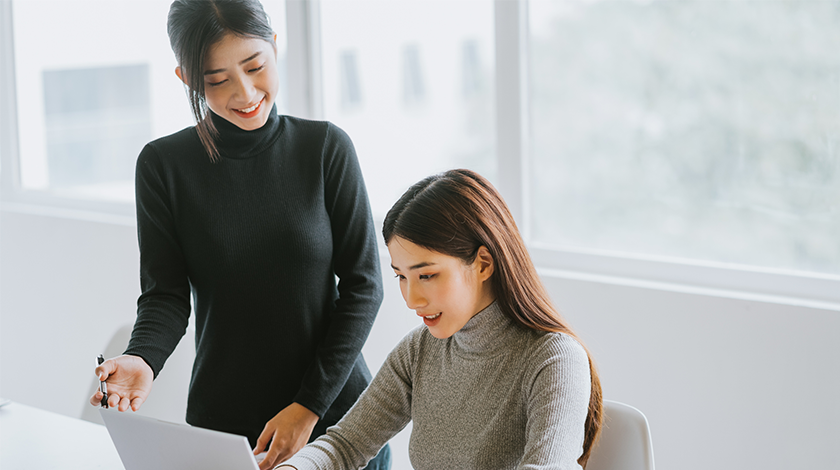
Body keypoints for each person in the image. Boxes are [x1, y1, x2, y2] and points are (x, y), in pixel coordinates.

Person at [88, 1, 389, 469]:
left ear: (274, 46)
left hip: (338, 425)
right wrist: (142, 358)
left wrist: (308, 408)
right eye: (217, 79)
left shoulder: (325, 148)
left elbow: (365, 286)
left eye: (254, 67)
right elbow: (165, 295)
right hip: (226, 429)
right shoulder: (164, 167)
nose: (245, 92)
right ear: (186, 78)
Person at [275, 169, 604, 470]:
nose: (411, 299)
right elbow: (345, 445)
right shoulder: (420, 350)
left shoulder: (554, 359)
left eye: (427, 275)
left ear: (483, 264)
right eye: (401, 277)